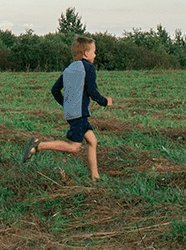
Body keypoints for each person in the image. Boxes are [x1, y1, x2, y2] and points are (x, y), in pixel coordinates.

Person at [22, 35, 116, 181]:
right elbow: (92, 92)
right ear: (86, 53)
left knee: (92, 141)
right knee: (74, 147)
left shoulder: (69, 69)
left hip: (74, 113)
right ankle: (38, 145)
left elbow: (55, 90)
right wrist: (105, 101)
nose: (95, 55)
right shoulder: (89, 68)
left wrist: (66, 104)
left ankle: (95, 177)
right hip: (79, 114)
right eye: (94, 52)